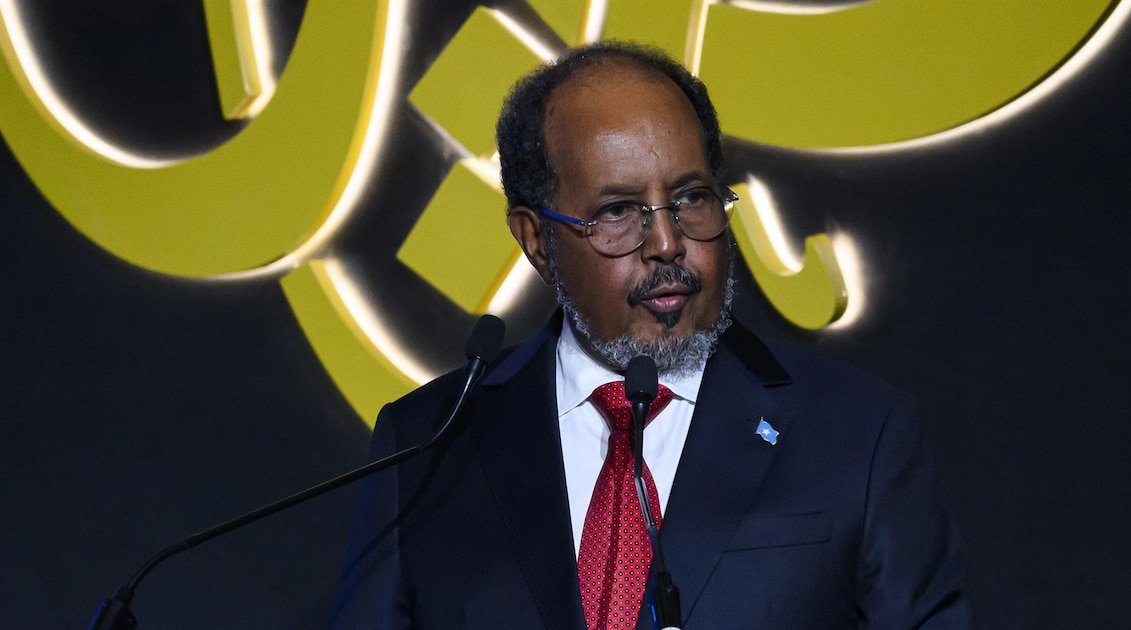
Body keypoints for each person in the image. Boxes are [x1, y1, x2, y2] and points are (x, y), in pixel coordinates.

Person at [331, 42, 974, 629]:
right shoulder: (427, 447)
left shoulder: (859, 435)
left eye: (691, 198)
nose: (667, 243)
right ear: (537, 240)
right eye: (618, 212)